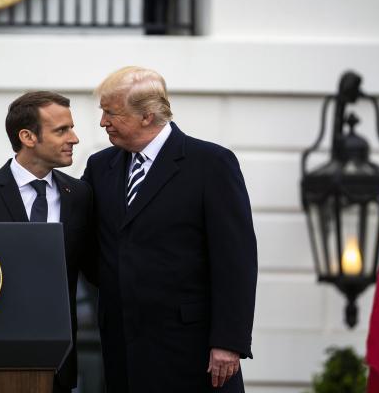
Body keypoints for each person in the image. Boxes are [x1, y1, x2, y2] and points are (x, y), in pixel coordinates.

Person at [82, 66, 258, 392]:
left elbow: (236, 261)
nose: (103, 121)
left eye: (111, 112)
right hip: (124, 351)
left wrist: (228, 342)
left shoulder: (211, 164)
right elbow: (75, 232)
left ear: (147, 116)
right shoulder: (99, 167)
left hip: (194, 352)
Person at [0, 91, 96, 393]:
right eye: (61, 130)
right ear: (27, 136)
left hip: (57, 365)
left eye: (72, 127)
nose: (75, 138)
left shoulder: (80, 196)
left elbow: (95, 266)